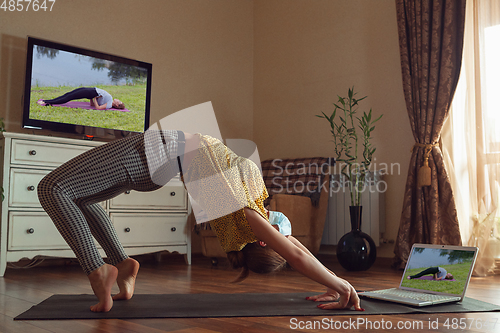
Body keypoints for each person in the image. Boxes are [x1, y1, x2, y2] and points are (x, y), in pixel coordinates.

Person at [37, 130, 361, 313]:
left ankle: (97, 269)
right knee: (80, 197)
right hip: (161, 160)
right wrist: (332, 280)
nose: (287, 233)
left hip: (154, 153)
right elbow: (293, 249)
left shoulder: (245, 216)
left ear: (265, 239)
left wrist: (340, 285)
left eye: (280, 235)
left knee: (52, 188)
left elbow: (296, 255)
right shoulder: (251, 205)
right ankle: (122, 265)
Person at [37, 87, 125, 110]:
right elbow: (92, 105)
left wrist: (94, 97)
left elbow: (97, 108)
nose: (118, 99)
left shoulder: (109, 102)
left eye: (119, 101)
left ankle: (45, 101)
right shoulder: (108, 101)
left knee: (68, 97)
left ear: (117, 104)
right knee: (68, 94)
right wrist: (92, 98)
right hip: (90, 91)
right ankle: (47, 101)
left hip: (90, 92)